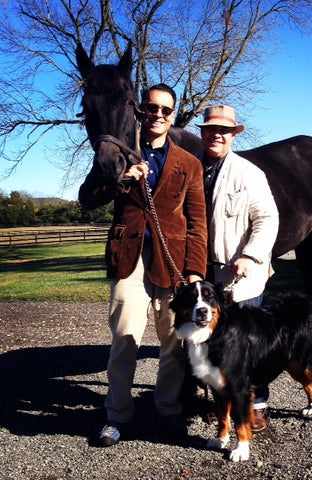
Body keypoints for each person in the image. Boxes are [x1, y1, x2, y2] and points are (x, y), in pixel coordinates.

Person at [79, 83, 208, 447]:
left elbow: (198, 223)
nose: (158, 115)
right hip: (128, 261)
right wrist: (118, 180)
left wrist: (196, 270)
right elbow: (86, 198)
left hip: (173, 263)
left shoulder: (189, 164)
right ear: (140, 110)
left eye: (166, 110)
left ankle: (167, 408)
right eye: (151, 108)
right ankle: (117, 415)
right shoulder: (117, 152)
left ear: (173, 115)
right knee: (124, 340)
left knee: (172, 343)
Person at [197, 105, 279, 432]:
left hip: (241, 277)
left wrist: (251, 255)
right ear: (202, 134)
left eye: (223, 131)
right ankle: (222, 405)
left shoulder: (249, 173)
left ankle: (257, 405)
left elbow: (267, 219)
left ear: (233, 135)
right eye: (210, 130)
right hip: (205, 278)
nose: (216, 135)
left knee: (248, 349)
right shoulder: (194, 169)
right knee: (211, 347)